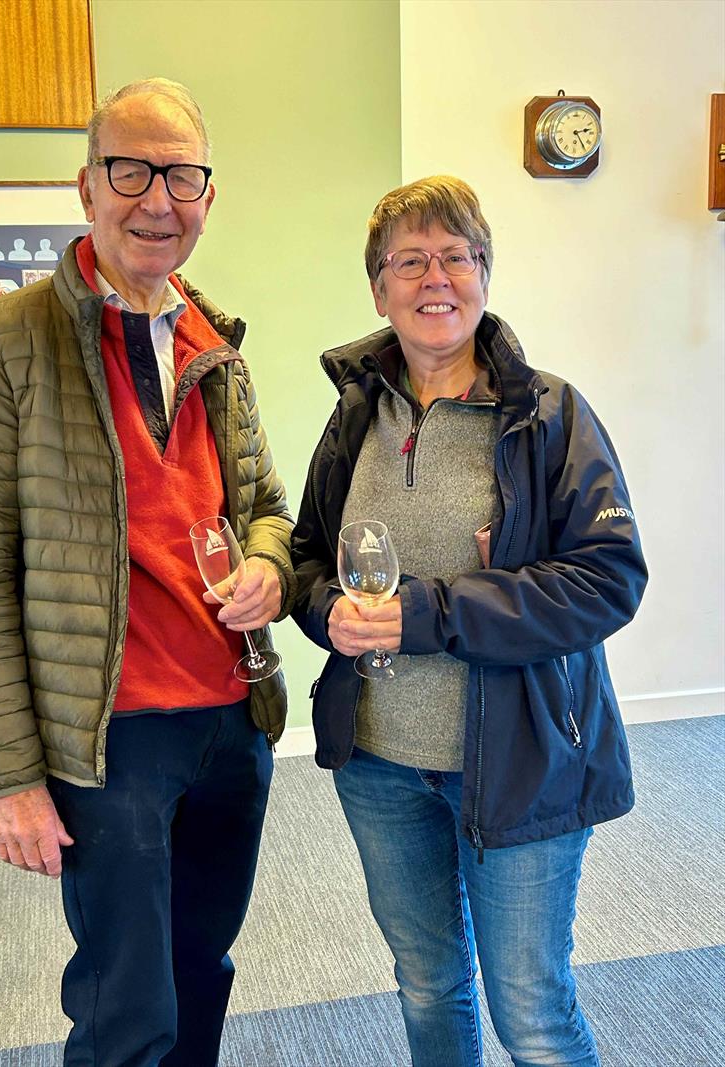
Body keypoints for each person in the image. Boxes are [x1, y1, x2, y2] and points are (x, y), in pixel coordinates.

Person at [0, 78, 294, 1067]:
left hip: (230, 720)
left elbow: (266, 509)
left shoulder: (216, 341)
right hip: (109, 737)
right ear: (85, 186)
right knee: (127, 1008)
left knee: (200, 971)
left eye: (181, 174)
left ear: (207, 197)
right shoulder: (6, 343)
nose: (156, 197)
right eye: (128, 169)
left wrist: (266, 566)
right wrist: (7, 776)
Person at [291, 175, 647, 1067]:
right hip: (380, 765)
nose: (433, 278)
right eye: (408, 261)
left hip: (519, 757)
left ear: (485, 275)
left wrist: (427, 612)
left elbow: (607, 579)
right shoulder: (356, 415)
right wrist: (326, 608)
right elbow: (304, 556)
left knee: (530, 1011)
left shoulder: (550, 415)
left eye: (455, 256)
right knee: (427, 982)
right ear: (379, 289)